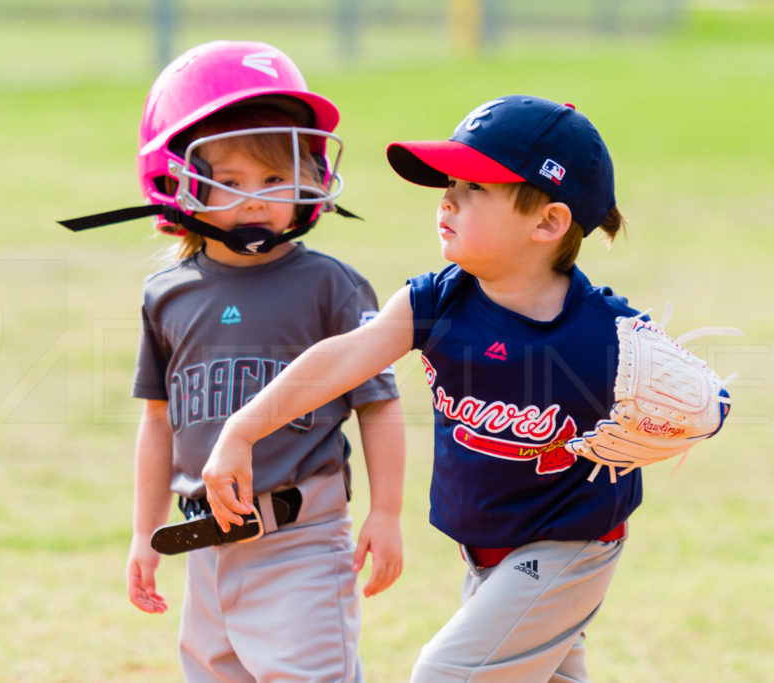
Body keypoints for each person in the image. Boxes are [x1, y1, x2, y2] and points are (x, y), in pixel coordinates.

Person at [202, 94, 644, 681]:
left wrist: (702, 410)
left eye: (475, 188)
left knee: (448, 673)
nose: (448, 200)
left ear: (548, 222)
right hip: (489, 551)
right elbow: (343, 359)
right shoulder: (437, 301)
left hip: (568, 550)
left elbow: (702, 400)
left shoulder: (607, 331)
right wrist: (243, 428)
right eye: (449, 185)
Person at [65, 40, 405, 682]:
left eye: (274, 178)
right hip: (204, 546)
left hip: (301, 540)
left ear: (310, 174)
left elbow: (379, 405)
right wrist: (144, 531)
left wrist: (385, 513)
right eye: (229, 180)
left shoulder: (331, 286)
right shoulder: (167, 295)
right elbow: (157, 423)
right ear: (177, 181)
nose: (254, 200)